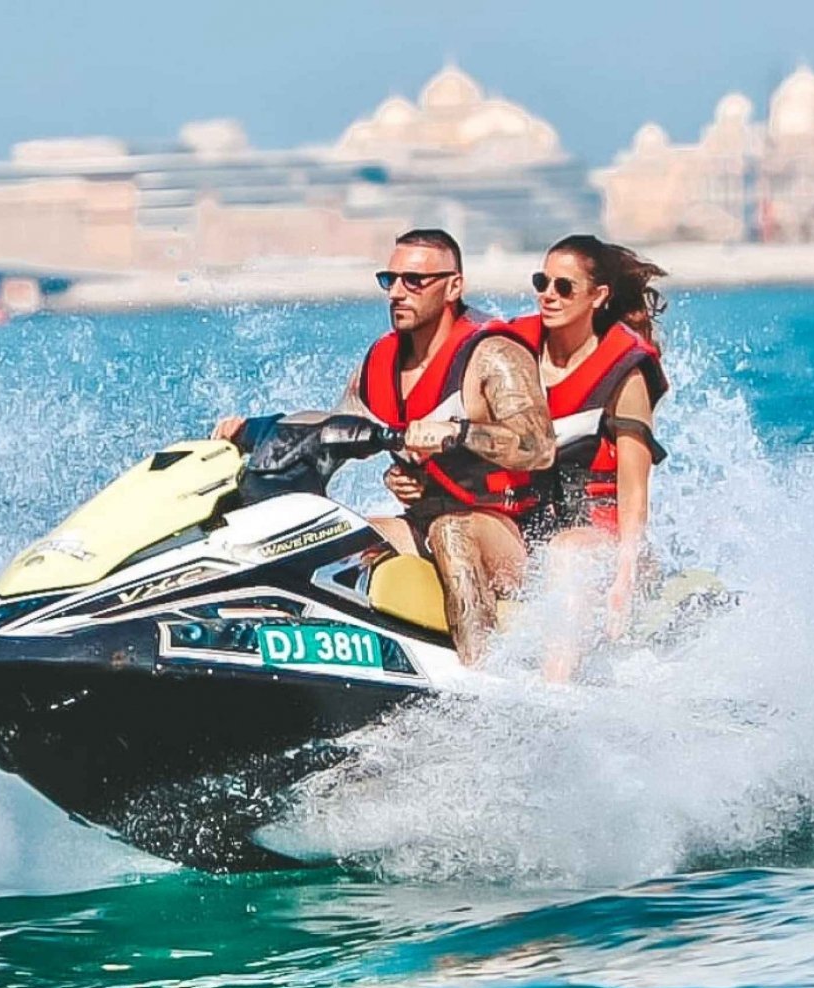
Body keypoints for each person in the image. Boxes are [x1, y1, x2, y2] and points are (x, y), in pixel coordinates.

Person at [215, 229, 554, 665]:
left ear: (454, 286)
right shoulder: (379, 362)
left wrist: (457, 432)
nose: (397, 293)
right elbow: (331, 429)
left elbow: (538, 446)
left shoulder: (493, 356)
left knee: (451, 530)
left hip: (513, 539)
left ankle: (483, 677)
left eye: (414, 281)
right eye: (389, 280)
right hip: (423, 524)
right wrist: (254, 431)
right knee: (327, 534)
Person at [385, 235, 669, 679]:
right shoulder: (511, 353)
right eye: (542, 282)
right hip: (523, 534)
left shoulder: (625, 373)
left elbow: (635, 491)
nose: (548, 296)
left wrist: (624, 576)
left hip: (599, 540)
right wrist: (415, 474)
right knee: (448, 529)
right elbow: (473, 439)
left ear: (599, 297)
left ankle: (554, 694)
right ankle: (474, 677)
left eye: (564, 287)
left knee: (566, 552)